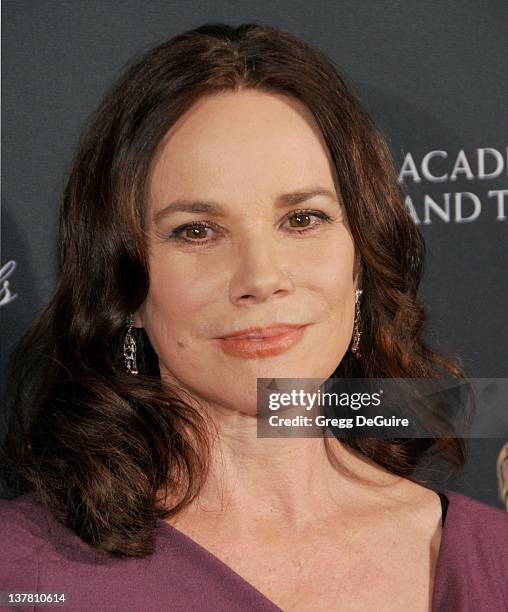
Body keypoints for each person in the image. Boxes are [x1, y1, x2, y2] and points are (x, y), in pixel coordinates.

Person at [0, 22, 506, 612]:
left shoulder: (492, 560)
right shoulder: (22, 572)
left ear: (360, 259)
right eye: (197, 231)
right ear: (125, 286)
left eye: (303, 219)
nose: (261, 277)